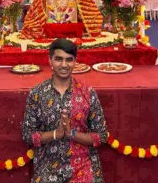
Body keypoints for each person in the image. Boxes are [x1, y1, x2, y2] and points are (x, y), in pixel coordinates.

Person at [21, 38, 108, 183]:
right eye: (58, 59)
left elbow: (102, 135)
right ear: (50, 60)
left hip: (83, 164)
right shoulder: (37, 94)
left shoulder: (87, 93)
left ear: (75, 62)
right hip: (48, 165)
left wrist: (71, 134)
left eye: (69, 60)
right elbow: (27, 135)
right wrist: (56, 134)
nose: (64, 65)